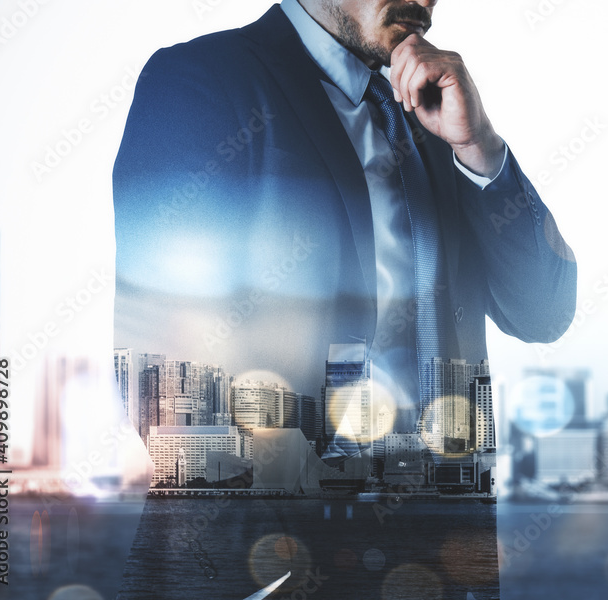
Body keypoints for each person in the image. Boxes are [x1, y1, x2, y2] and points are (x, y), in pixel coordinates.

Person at [112, 1, 576, 596]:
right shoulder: (203, 80)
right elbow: (163, 370)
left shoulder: (432, 115)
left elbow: (544, 311)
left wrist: (479, 147)